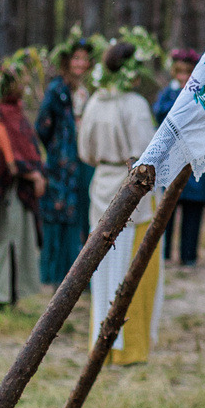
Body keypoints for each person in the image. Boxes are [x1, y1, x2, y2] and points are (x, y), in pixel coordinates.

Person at [79, 37, 164, 365]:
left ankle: (102, 346)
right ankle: (130, 350)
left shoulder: (94, 103)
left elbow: (84, 151)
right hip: (133, 192)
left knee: (102, 269)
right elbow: (147, 153)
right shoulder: (135, 105)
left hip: (101, 185)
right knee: (134, 271)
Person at [0, 61, 47, 311]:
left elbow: (26, 144)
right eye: (20, 81)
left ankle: (11, 295)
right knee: (2, 242)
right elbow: (7, 155)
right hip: (4, 190)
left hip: (17, 192)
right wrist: (33, 176)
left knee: (19, 242)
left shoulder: (15, 110)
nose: (24, 86)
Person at [35, 32, 97, 285]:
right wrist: (59, 150)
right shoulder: (57, 90)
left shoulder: (89, 91)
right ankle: (57, 274)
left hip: (85, 161)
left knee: (83, 213)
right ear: (67, 61)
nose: (80, 64)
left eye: (84, 59)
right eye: (76, 59)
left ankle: (81, 275)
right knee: (60, 216)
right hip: (62, 166)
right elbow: (42, 126)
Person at [153, 49, 205, 266]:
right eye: (179, 73)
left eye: (187, 73)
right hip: (172, 160)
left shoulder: (204, 94)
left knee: (193, 210)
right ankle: (164, 254)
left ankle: (189, 255)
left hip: (196, 158)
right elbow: (161, 116)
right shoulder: (166, 95)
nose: (183, 78)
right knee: (167, 209)